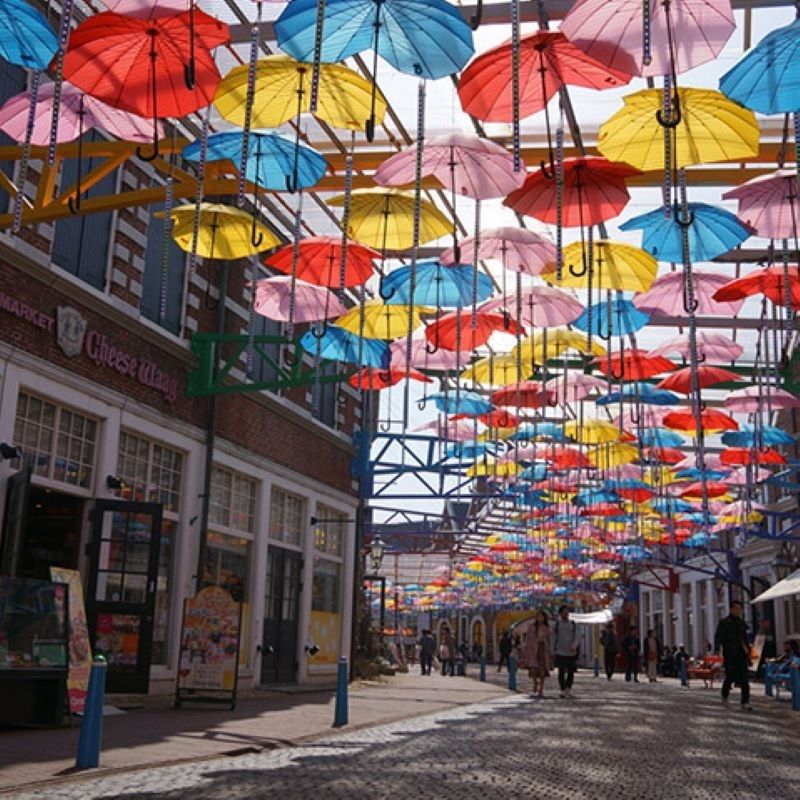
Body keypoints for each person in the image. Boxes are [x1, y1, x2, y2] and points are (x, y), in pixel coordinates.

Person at [714, 600, 752, 710]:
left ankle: (745, 702)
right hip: (730, 654)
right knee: (730, 676)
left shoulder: (741, 623)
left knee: (744, 678)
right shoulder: (724, 623)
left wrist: (748, 652)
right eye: (736, 608)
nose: (738, 611)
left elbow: (745, 639)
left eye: (740, 609)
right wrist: (717, 648)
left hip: (741, 654)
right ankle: (725, 695)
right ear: (731, 609)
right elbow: (719, 636)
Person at [522, 610, 552, 698]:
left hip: (543, 649)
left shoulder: (547, 628)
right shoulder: (532, 627)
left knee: (542, 670)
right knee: (534, 669)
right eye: (538, 616)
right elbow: (528, 639)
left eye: (542, 616)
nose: (540, 618)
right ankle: (535, 682)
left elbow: (549, 640)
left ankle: (541, 688)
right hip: (533, 650)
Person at [551, 605, 579, 698]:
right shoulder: (557, 625)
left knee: (571, 671)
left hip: (571, 652)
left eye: (567, 612)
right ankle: (562, 689)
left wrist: (574, 645)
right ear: (560, 613)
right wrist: (552, 650)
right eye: (564, 612)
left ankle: (568, 688)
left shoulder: (573, 624)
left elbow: (577, 636)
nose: (566, 614)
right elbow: (553, 637)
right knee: (561, 671)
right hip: (560, 651)